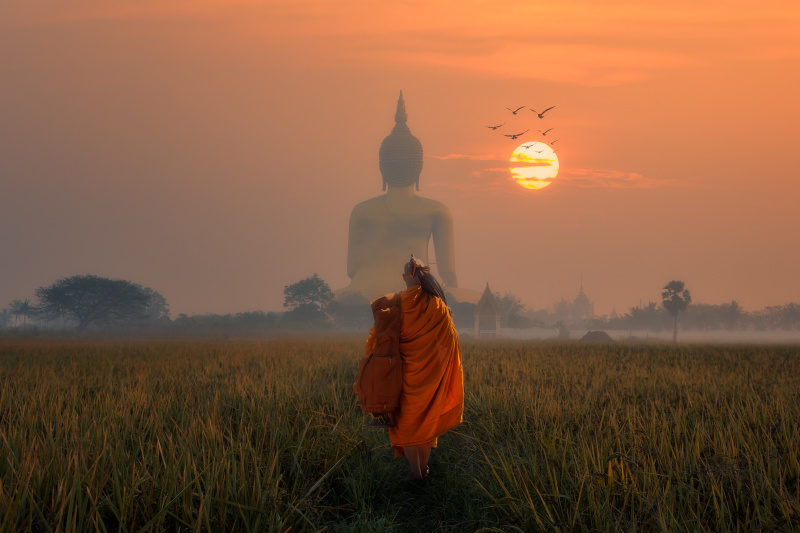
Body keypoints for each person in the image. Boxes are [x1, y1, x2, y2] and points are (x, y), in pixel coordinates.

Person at [364, 255, 464, 481]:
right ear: (423, 275)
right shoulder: (438, 304)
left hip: (404, 376)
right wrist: (440, 370)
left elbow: (378, 339)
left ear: (404, 277)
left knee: (408, 423)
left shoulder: (396, 302)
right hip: (430, 377)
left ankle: (415, 472)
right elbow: (451, 341)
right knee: (425, 423)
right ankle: (424, 469)